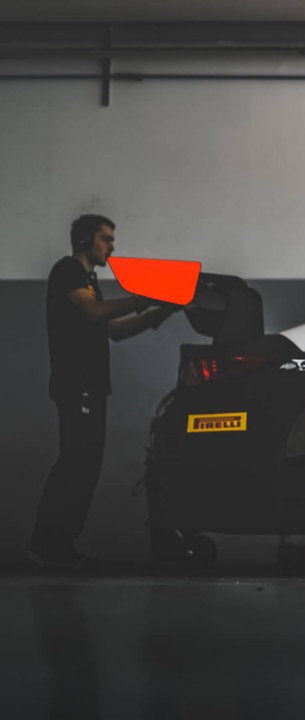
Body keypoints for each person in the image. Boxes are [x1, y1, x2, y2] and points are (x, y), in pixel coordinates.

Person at [28, 214, 179, 569]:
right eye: (106, 238)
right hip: (76, 385)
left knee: (85, 467)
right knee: (75, 464)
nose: (112, 246)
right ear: (85, 240)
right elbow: (96, 313)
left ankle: (59, 546)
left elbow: (114, 330)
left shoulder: (89, 280)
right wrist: (144, 298)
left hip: (92, 387)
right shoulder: (67, 271)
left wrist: (162, 312)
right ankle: (47, 546)